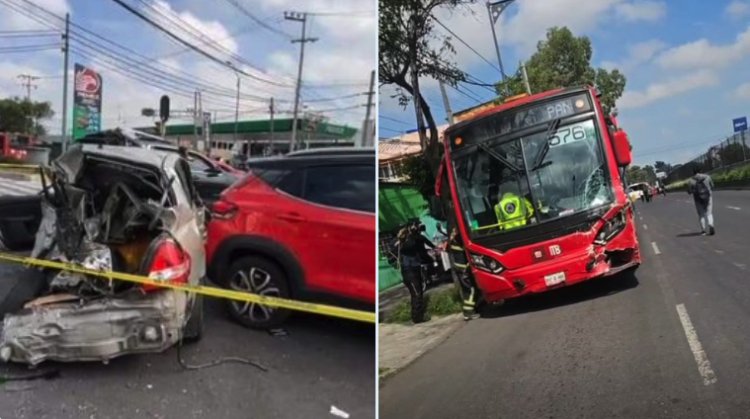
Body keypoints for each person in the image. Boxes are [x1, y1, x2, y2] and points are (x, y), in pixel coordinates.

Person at [395, 220, 436, 323]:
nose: (417, 228)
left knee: (418, 292)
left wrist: (434, 251)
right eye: (416, 226)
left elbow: (423, 245)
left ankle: (417, 316)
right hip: (408, 270)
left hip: (415, 268)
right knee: (417, 293)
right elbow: (410, 246)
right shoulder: (404, 241)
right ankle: (417, 317)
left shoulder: (416, 238)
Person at [687, 167, 715, 236]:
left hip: (698, 199)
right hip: (708, 197)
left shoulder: (691, 180)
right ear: (700, 171)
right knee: (709, 213)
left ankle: (703, 231)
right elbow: (713, 186)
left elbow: (689, 191)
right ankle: (710, 224)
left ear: (693, 172)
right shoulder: (707, 177)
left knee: (701, 215)